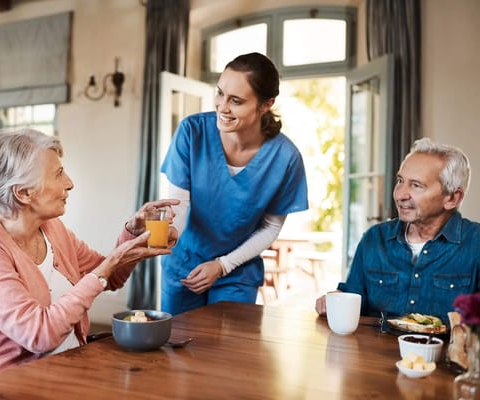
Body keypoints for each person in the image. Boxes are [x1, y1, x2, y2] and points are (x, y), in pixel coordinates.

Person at [0, 128, 179, 379]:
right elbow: (38, 335)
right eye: (58, 174)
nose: (69, 183)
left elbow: (107, 277)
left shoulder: (52, 229)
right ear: (24, 193)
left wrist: (133, 236)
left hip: (67, 372)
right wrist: (109, 265)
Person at [160, 52, 309, 315]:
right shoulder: (192, 132)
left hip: (236, 271)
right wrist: (168, 233)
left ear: (266, 104)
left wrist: (223, 266)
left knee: (226, 351)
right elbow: (179, 203)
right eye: (220, 93)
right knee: (176, 347)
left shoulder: (285, 157)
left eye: (236, 101)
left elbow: (271, 227)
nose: (222, 106)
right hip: (184, 263)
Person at [315, 138, 480, 321]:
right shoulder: (374, 238)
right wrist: (335, 300)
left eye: (416, 185)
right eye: (400, 181)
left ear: (452, 198)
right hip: (374, 349)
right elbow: (354, 298)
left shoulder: (476, 244)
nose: (400, 194)